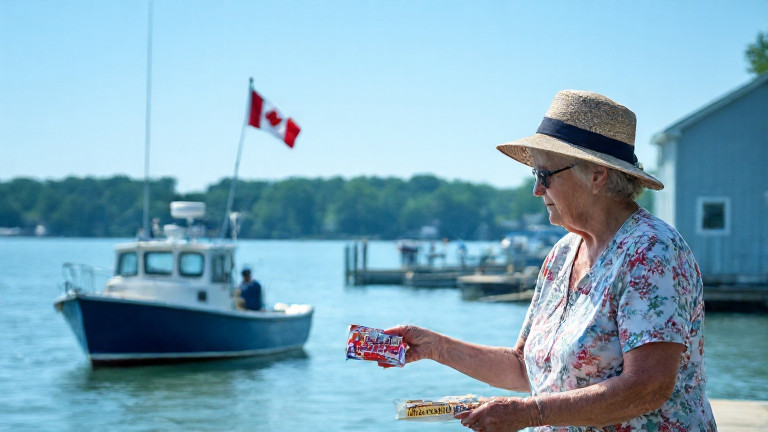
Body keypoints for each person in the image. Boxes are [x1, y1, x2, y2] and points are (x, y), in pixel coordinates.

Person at [384, 90, 717, 431]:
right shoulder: (562, 253)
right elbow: (523, 367)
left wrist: (532, 414)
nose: (537, 190)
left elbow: (647, 387)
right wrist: (435, 347)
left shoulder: (652, 250)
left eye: (545, 175)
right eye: (535, 176)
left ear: (597, 176)